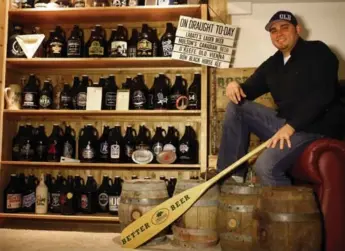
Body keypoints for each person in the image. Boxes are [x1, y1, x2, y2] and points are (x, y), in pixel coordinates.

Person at [217, 10, 343, 185]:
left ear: (297, 29)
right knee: (236, 106)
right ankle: (231, 175)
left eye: (284, 27)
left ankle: (292, 211)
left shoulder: (317, 51)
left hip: (315, 128)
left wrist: (292, 126)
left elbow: (324, 94)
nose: (279, 33)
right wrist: (234, 85)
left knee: (265, 167)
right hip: (287, 126)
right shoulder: (273, 64)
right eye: (273, 30)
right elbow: (247, 90)